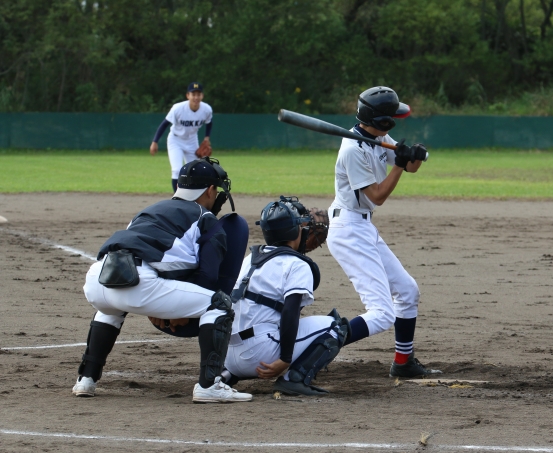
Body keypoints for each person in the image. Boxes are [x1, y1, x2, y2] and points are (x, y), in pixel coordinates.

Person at [72, 157, 252, 403]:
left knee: (112, 305)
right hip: (143, 285)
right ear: (210, 190)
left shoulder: (148, 211)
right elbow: (209, 277)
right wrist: (174, 312)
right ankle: (209, 386)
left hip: (97, 280)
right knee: (219, 304)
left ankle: (86, 379)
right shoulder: (205, 218)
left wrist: (163, 307)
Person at [325, 86, 438, 378]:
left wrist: (414, 155)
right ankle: (313, 347)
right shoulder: (353, 149)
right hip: (349, 229)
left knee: (407, 291)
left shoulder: (377, 138)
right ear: (383, 121)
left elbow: (409, 166)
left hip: (362, 226)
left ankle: (403, 362)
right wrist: (399, 166)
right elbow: (377, 196)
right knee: (381, 312)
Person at [223, 197, 350, 396]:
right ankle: (294, 380)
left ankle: (226, 376)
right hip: (260, 357)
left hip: (227, 357)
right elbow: (290, 312)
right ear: (295, 231)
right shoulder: (297, 264)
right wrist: (285, 359)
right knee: (335, 326)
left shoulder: (250, 259)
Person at [150, 82, 213, 192]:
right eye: (193, 94)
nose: (196, 97)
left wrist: (207, 137)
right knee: (177, 170)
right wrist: (155, 142)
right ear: (188, 95)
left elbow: (209, 122)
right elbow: (164, 124)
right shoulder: (178, 108)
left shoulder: (206, 109)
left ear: (202, 96)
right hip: (176, 140)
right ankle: (178, 197)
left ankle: (193, 197)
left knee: (195, 170)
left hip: (192, 140)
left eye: (198, 94)